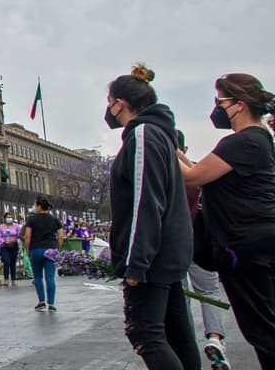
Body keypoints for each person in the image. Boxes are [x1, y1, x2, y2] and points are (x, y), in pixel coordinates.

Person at [180, 72, 275, 370]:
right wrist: (176, 151)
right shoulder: (256, 138)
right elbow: (201, 168)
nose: (217, 108)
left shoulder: (241, 142)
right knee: (274, 322)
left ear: (239, 105)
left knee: (262, 330)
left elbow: (194, 177)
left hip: (246, 242)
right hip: (266, 237)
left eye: (220, 101)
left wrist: (156, 143)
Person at [105, 64, 200, 370]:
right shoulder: (160, 133)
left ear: (120, 103)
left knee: (145, 333)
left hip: (154, 257)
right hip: (168, 252)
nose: (107, 109)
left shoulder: (144, 134)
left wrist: (136, 262)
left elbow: (147, 202)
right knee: (176, 333)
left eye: (109, 101)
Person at [178, 130, 233, 367]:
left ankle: (186, 343)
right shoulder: (197, 172)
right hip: (199, 241)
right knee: (208, 291)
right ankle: (214, 338)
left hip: (173, 245)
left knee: (180, 299)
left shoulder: (156, 174)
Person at [23, 196, 64, 313]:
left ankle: (41, 302)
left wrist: (28, 250)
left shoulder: (32, 220)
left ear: (39, 206)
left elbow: (27, 236)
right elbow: (61, 236)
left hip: (36, 249)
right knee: (50, 277)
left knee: (38, 277)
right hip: (51, 250)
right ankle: (51, 303)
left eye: (35, 205)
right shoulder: (54, 220)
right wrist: (58, 249)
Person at [0, 212, 21, 286]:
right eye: (8, 217)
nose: (9, 219)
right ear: (4, 218)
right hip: (4, 246)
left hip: (14, 246)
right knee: (6, 261)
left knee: (13, 262)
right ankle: (6, 279)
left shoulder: (16, 226)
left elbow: (19, 235)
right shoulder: (0, 227)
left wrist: (15, 240)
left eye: (10, 217)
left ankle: (13, 279)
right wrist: (4, 241)